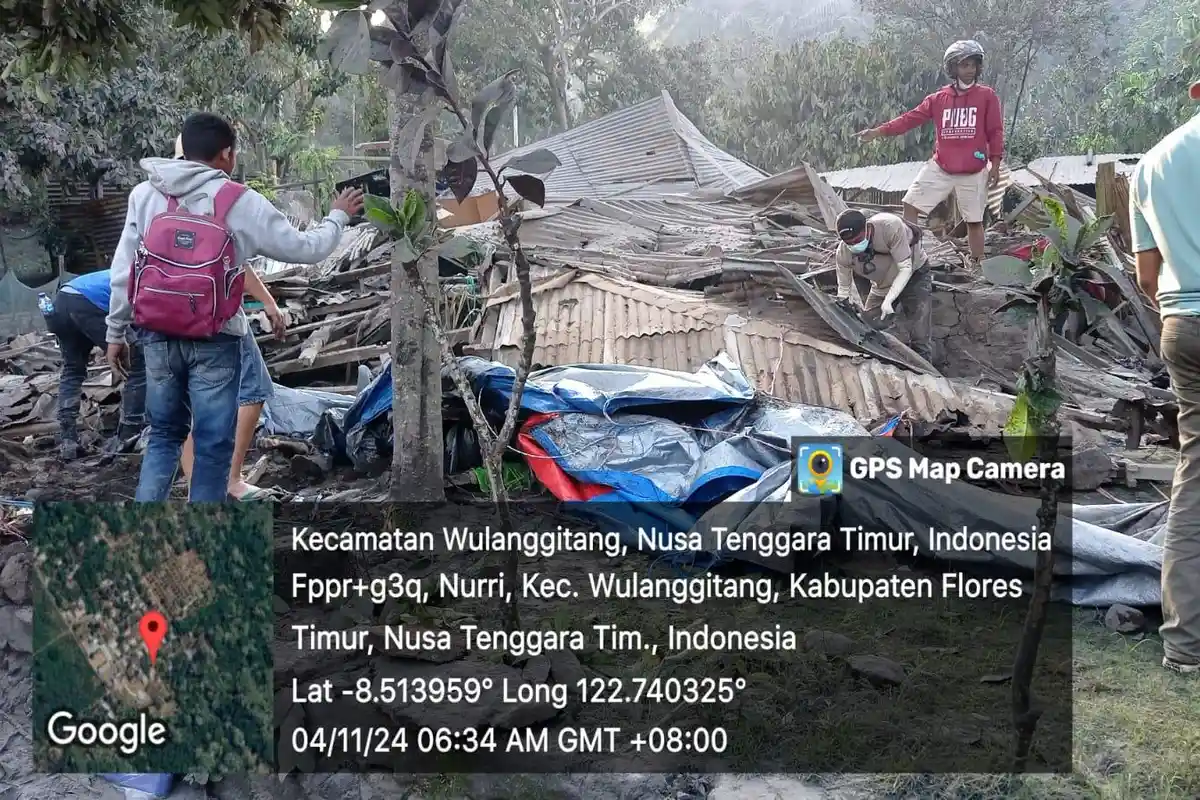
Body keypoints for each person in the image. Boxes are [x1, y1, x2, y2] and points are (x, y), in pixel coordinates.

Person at [105, 112, 364, 502]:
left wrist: (114, 333)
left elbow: (125, 271)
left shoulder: (144, 195)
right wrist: (338, 215)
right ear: (226, 154)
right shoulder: (240, 201)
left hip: (156, 334)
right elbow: (306, 248)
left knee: (163, 437)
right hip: (215, 338)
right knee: (212, 445)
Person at [1129, 80, 1200, 674]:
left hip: (1183, 327)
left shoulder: (1151, 163)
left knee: (1194, 479)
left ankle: (1184, 645)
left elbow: (1147, 278)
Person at [856, 39, 1004, 267]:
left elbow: (995, 131)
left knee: (974, 221)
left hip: (974, 170)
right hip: (941, 167)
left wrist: (995, 164)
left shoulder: (987, 96)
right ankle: (911, 255)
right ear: (953, 68)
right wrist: (877, 132)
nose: (969, 70)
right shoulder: (938, 99)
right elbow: (909, 119)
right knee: (910, 205)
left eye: (973, 65)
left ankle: (978, 264)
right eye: (964, 65)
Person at [44, 269, 146, 459]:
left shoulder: (127, 268)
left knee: (73, 369)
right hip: (89, 303)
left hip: (62, 301)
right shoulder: (146, 276)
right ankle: (129, 433)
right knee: (138, 365)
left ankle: (68, 438)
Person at [833, 208, 934, 364]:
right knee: (868, 325)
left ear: (867, 227)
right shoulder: (843, 253)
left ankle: (924, 366)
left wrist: (889, 300)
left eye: (857, 240)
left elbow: (905, 269)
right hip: (882, 285)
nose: (854, 245)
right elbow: (844, 290)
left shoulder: (890, 227)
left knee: (919, 326)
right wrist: (843, 307)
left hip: (915, 274)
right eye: (849, 243)